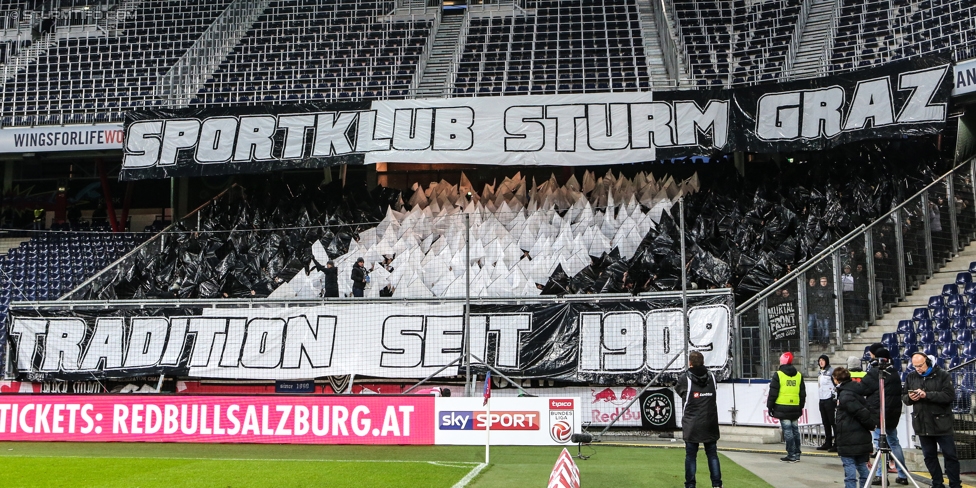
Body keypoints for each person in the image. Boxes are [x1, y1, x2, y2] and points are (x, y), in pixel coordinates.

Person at [903, 353, 959, 488]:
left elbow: (949, 396)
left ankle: (955, 484)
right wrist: (911, 398)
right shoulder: (911, 376)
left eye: (920, 365)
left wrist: (926, 395)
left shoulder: (942, 375)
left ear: (927, 362)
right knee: (929, 457)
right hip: (922, 423)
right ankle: (937, 483)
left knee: (950, 456)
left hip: (942, 423)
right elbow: (904, 397)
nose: (918, 369)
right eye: (915, 366)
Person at [675, 351, 722, 488]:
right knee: (712, 454)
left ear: (690, 363)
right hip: (710, 421)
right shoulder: (712, 376)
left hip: (692, 423)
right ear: (703, 362)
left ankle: (690, 485)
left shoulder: (685, 378)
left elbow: (679, 391)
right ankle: (717, 484)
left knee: (691, 456)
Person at [863, 347, 908, 485]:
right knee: (894, 443)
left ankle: (881, 475)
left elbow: (864, 388)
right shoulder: (894, 372)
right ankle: (903, 474)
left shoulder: (876, 373)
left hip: (879, 414)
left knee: (879, 443)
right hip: (892, 414)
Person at [833, 366, 876, 488]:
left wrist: (871, 424)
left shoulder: (845, 395)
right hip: (859, 435)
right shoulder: (854, 391)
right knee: (861, 465)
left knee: (850, 466)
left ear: (836, 379)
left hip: (849, 436)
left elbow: (860, 413)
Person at [767, 351, 806, 463]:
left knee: (787, 431)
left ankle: (791, 454)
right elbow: (802, 393)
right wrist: (801, 406)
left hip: (782, 406)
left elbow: (773, 393)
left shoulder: (778, 375)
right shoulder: (798, 375)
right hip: (795, 405)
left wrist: (770, 407)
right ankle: (797, 453)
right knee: (795, 430)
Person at [816, 354, 837, 452]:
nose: (821, 362)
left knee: (833, 422)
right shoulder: (820, 373)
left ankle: (837, 443)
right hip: (822, 399)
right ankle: (828, 442)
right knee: (825, 422)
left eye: (823, 360)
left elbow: (836, 385)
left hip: (830, 399)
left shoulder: (831, 371)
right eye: (820, 360)